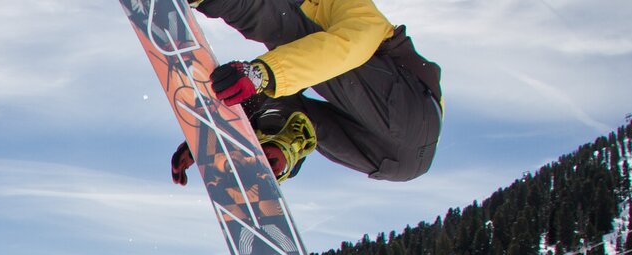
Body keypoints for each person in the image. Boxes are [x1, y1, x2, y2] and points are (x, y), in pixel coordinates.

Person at [169, 0, 442, 184]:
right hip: (390, 160)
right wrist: (212, 134)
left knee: (287, 36)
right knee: (283, 91)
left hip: (414, 116)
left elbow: (351, 45)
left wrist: (261, 73)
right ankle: (281, 146)